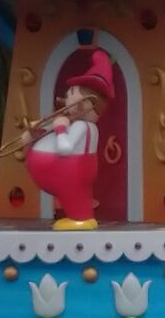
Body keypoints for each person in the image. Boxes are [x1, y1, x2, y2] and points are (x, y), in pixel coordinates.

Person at [23, 50, 114, 231]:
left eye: (71, 93)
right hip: (71, 173)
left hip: (72, 173)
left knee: (74, 195)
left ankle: (80, 218)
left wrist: (60, 128)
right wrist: (38, 131)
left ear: (88, 102)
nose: (65, 99)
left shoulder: (82, 126)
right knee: (76, 195)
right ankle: (80, 215)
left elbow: (65, 148)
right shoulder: (78, 124)